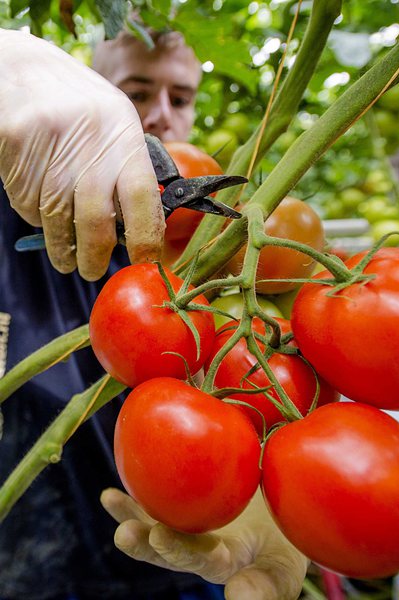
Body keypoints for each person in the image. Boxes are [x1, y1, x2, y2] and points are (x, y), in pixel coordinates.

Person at [0, 27, 307, 600]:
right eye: (135, 93)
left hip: (182, 574)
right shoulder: (16, 203)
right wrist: (14, 58)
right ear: (83, 93)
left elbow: (284, 399)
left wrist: (274, 498)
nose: (161, 117)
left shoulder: (251, 250)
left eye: (181, 97)